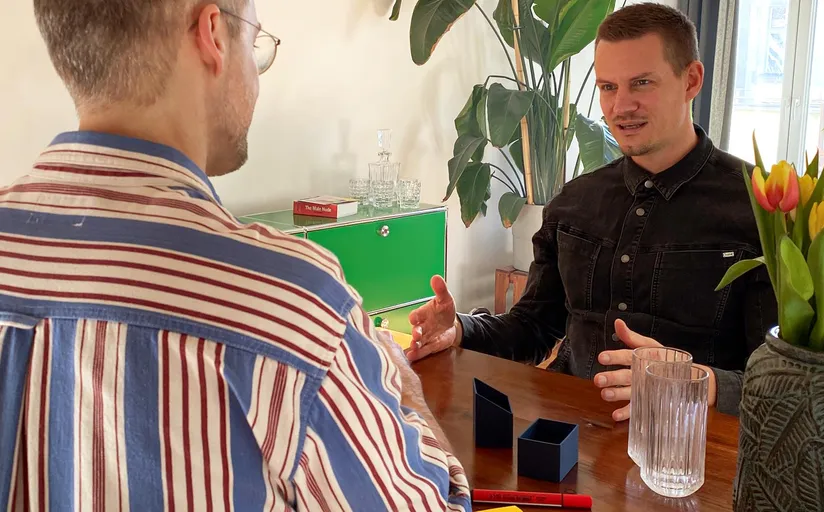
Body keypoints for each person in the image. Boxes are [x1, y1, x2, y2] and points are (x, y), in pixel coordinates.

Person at [0, 1, 470, 510]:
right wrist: (406, 392)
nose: (257, 75)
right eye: (256, 42)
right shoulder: (294, 305)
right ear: (213, 35)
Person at [408, 3, 777, 420]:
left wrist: (700, 384)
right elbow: (533, 327)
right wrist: (459, 329)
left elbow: (790, 382)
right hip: (567, 432)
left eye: (641, 83)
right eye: (608, 87)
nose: (621, 106)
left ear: (691, 80)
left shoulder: (762, 209)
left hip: (691, 444)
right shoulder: (573, 203)